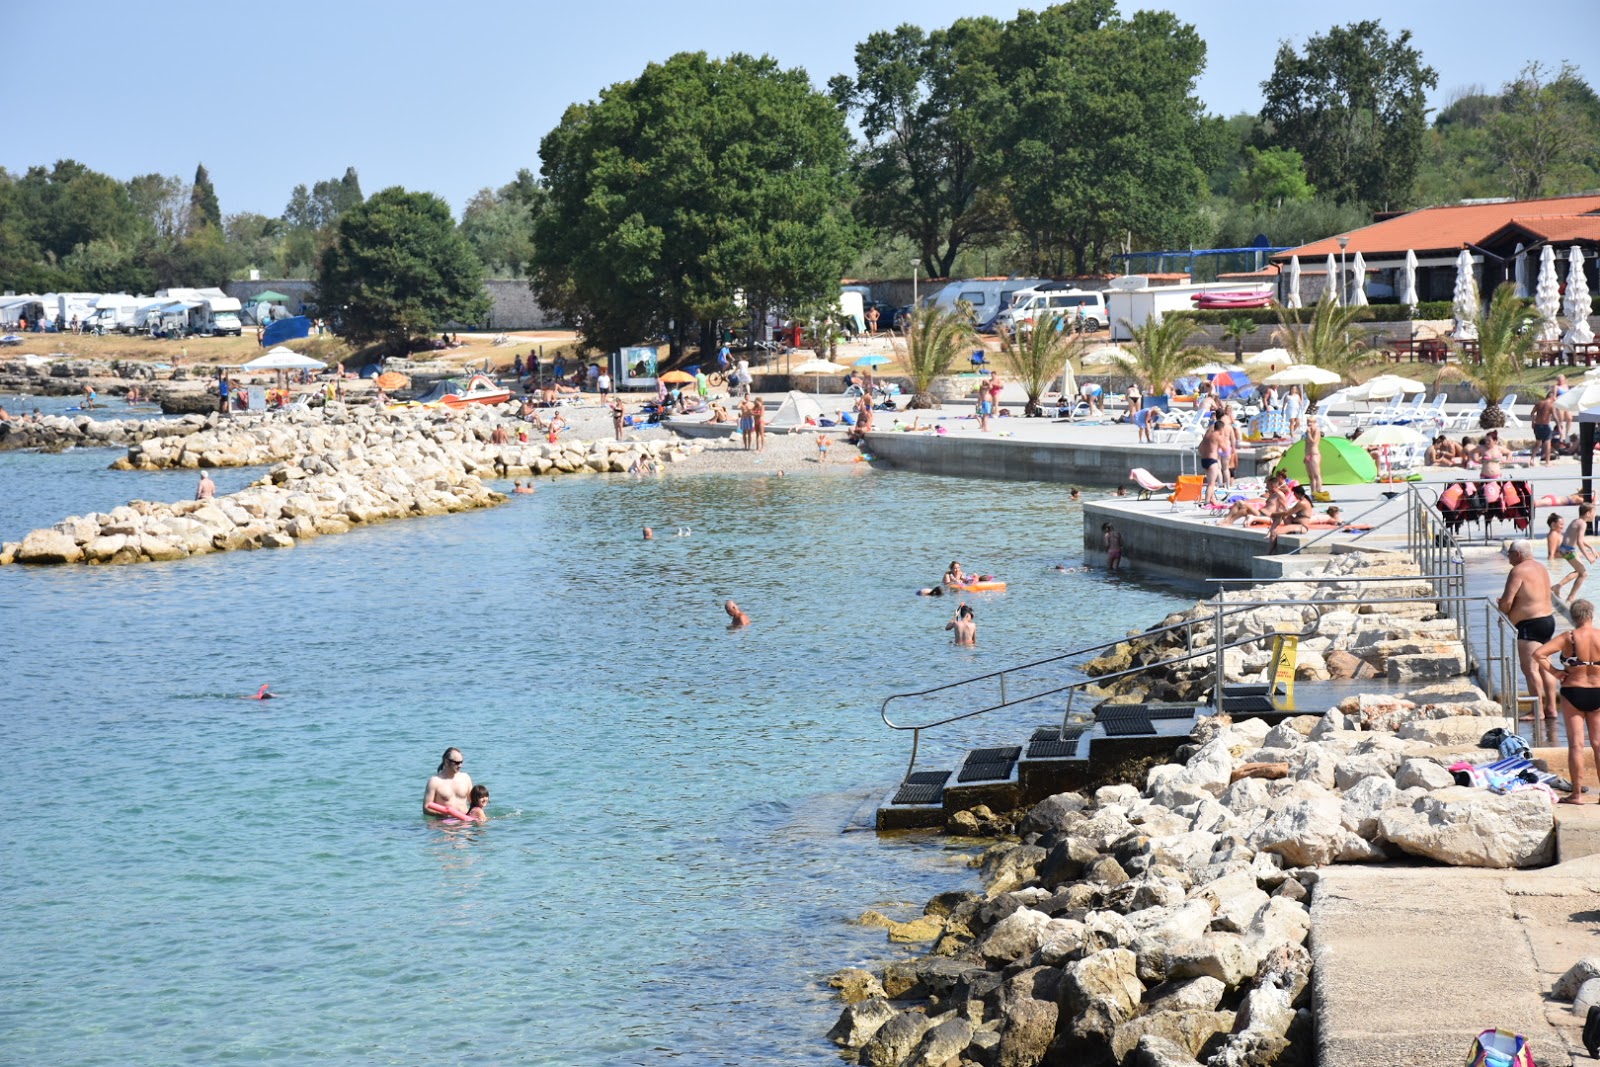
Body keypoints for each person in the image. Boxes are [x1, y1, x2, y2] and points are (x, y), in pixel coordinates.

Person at [1535, 599, 1600, 803]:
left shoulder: (1568, 637)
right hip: (1598, 691)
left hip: (1573, 691)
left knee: (1576, 745)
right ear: (1591, 615)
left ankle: (1577, 794)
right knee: (1598, 744)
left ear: (1573, 617)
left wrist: (1555, 672)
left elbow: (1539, 654)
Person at [1500, 539, 1558, 723]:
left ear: (1517, 554)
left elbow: (1507, 602)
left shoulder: (1517, 571)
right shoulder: (1541, 567)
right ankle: (1552, 708)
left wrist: (1501, 606)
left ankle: (1537, 711)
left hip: (1529, 625)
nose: (1508, 556)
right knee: (1545, 667)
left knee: (1531, 669)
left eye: (1509, 552)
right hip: (1548, 621)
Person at [1555, 504, 1598, 601]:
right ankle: (1570, 598)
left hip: (1565, 549)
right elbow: (1579, 542)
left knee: (1579, 572)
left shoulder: (1577, 521)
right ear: (1588, 513)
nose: (1595, 515)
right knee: (1584, 574)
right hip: (1569, 550)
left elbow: (1580, 539)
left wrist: (1591, 547)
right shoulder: (1583, 524)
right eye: (1594, 513)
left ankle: (1557, 587)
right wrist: (1588, 557)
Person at [423, 748, 473, 817]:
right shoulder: (434, 781)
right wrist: (444, 815)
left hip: (465, 822)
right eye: (457, 763)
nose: (460, 766)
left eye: (461, 762)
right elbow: (426, 808)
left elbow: (473, 802)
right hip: (445, 823)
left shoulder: (466, 778)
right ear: (446, 762)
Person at [1532, 390, 1557, 466]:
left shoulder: (1539, 403)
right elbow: (1555, 416)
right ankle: (1547, 462)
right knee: (1547, 443)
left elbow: (1532, 413)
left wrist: (1533, 422)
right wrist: (1559, 425)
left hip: (1537, 425)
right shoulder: (1551, 405)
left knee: (1538, 443)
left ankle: (1532, 459)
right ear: (1552, 397)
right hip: (1545, 426)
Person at [1303, 415, 1324, 499]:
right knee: (1311, 476)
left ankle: (1318, 492)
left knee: (1316, 475)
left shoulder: (1316, 430)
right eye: (1308, 422)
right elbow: (1306, 444)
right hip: (1308, 455)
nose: (1309, 424)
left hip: (1314, 454)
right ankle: (1313, 493)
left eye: (1311, 422)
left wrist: (1308, 433)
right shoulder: (1307, 431)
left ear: (1315, 423)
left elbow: (1313, 442)